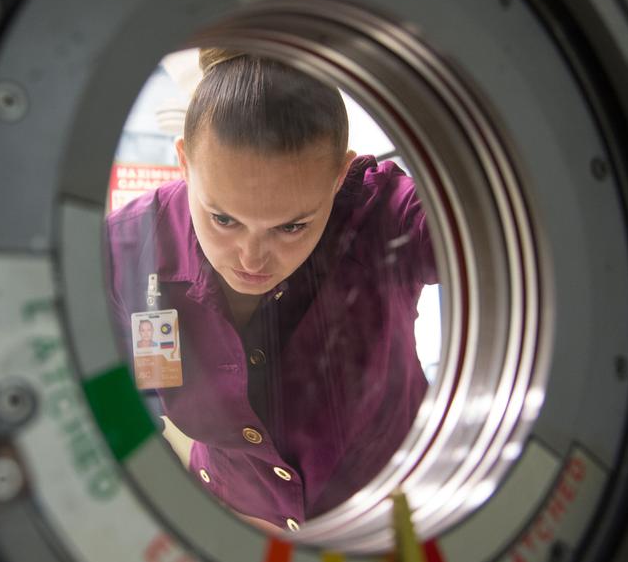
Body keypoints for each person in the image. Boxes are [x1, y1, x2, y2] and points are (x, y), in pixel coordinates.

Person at [105, 49, 438, 534]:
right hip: (228, 523)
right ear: (184, 161)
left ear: (340, 175)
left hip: (391, 518)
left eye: (292, 226)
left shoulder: (382, 216)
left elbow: (512, 232)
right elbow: (101, 398)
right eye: (223, 219)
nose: (251, 259)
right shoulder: (125, 254)